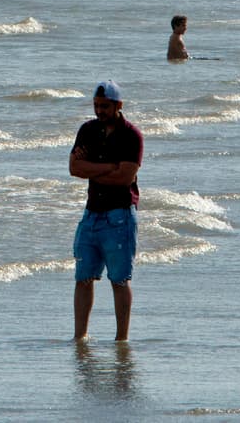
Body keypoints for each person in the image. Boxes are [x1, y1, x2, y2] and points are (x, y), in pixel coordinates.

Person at [70, 80, 143, 342]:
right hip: (91, 214)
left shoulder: (131, 135)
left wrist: (93, 168)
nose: (99, 111)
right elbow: (74, 168)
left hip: (120, 215)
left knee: (120, 279)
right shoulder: (88, 130)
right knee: (83, 277)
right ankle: (80, 336)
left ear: (118, 105)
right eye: (96, 106)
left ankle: (121, 340)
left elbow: (124, 178)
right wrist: (108, 167)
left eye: (105, 106)